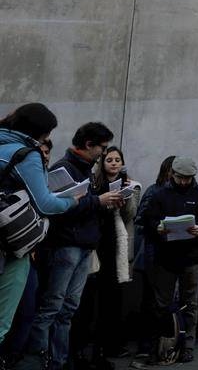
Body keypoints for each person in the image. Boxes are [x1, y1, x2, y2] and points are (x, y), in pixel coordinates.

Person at [28, 122, 121, 370]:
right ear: (88, 144)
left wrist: (104, 203)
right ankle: (40, 361)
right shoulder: (63, 168)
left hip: (83, 246)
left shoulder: (86, 168)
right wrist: (96, 201)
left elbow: (84, 206)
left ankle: (59, 361)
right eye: (101, 148)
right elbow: (56, 209)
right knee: (52, 307)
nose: (103, 153)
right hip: (66, 245)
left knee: (68, 309)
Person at [0, 105, 77, 366]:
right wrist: (72, 201)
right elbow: (44, 203)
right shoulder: (27, 154)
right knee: (5, 319)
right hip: (11, 243)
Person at [138, 157, 198, 363]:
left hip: (193, 258)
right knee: (162, 304)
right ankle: (162, 346)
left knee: (190, 303)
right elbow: (147, 220)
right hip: (165, 257)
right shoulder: (159, 194)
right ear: (172, 174)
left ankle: (188, 347)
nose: (184, 182)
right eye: (180, 178)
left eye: (188, 178)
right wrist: (157, 227)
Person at [89, 147, 141, 359]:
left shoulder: (131, 184)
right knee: (93, 298)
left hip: (117, 246)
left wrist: (126, 196)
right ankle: (93, 344)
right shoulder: (94, 183)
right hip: (96, 244)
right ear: (102, 163)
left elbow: (131, 215)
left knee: (114, 299)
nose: (113, 163)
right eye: (109, 159)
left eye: (117, 159)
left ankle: (111, 344)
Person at [132, 156, 174, 359]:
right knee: (150, 302)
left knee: (164, 302)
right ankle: (146, 345)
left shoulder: (184, 192)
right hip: (152, 253)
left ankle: (162, 345)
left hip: (172, 254)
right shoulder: (154, 190)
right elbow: (140, 220)